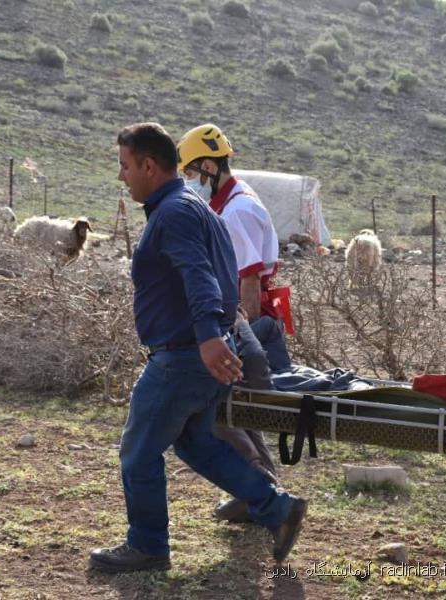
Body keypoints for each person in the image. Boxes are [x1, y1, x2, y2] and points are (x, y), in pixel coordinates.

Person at [89, 123, 306, 573]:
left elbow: (201, 277)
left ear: (149, 165)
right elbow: (222, 274)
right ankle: (277, 508)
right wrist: (218, 335)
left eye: (125, 167)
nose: (122, 176)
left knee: (138, 450)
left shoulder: (175, 213)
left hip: (184, 354)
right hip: (197, 352)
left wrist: (209, 337)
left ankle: (147, 546)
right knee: (196, 444)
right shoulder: (193, 207)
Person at [176, 122, 289, 523]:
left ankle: (258, 492)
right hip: (244, 324)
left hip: (247, 324)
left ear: (208, 166)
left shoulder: (236, 211)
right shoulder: (228, 203)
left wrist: (237, 336)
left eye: (190, 173)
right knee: (239, 413)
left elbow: (249, 284)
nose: (189, 182)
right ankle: (260, 493)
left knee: (221, 415)